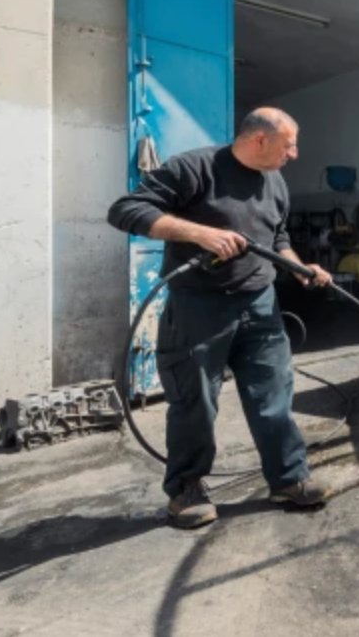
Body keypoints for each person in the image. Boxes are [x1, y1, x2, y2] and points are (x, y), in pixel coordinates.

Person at [108, 107, 334, 529]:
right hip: (199, 306)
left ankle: (288, 479)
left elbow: (276, 236)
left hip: (260, 304)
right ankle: (186, 489)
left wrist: (299, 267)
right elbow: (125, 210)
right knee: (195, 401)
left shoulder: (275, 181)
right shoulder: (194, 168)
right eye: (289, 145)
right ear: (259, 140)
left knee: (274, 396)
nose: (295, 153)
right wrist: (199, 233)